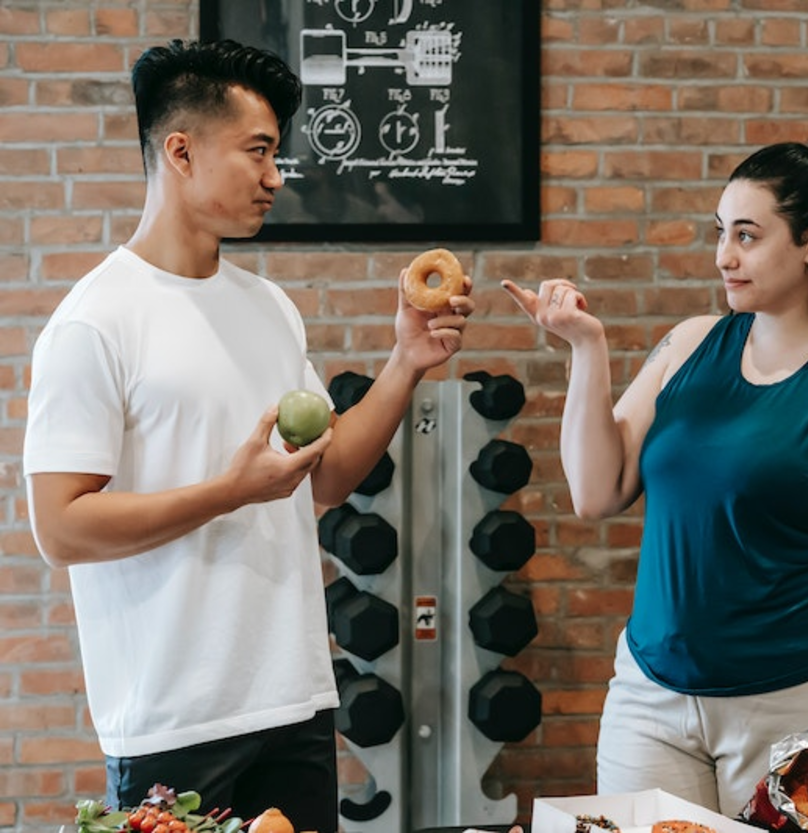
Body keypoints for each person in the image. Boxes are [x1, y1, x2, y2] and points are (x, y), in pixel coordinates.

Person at [22, 39, 474, 833]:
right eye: (258, 152)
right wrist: (229, 492)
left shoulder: (269, 307)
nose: (276, 175)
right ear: (182, 151)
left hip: (291, 697)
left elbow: (324, 478)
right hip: (172, 723)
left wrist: (406, 360)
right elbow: (61, 528)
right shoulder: (94, 322)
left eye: (278, 154)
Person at [503, 135, 808, 817]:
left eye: (747, 235)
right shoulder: (690, 344)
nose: (723, 256)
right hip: (653, 693)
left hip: (803, 700)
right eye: (720, 232)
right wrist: (586, 348)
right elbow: (595, 490)